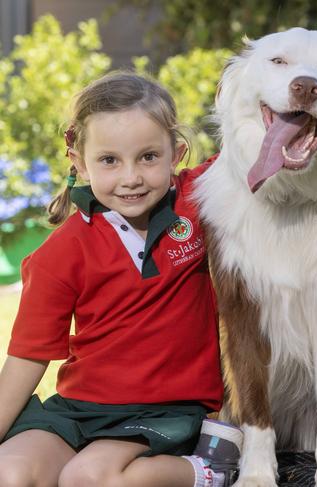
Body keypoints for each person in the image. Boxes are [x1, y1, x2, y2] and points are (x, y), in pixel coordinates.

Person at [0, 72, 241, 487]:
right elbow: (28, 357)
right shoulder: (60, 252)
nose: (131, 177)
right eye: (110, 160)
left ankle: (210, 470)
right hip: (80, 408)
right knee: (10, 470)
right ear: (79, 161)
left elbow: (260, 149)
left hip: (168, 408)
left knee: (86, 479)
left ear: (176, 154)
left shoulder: (198, 200)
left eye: (148, 157)